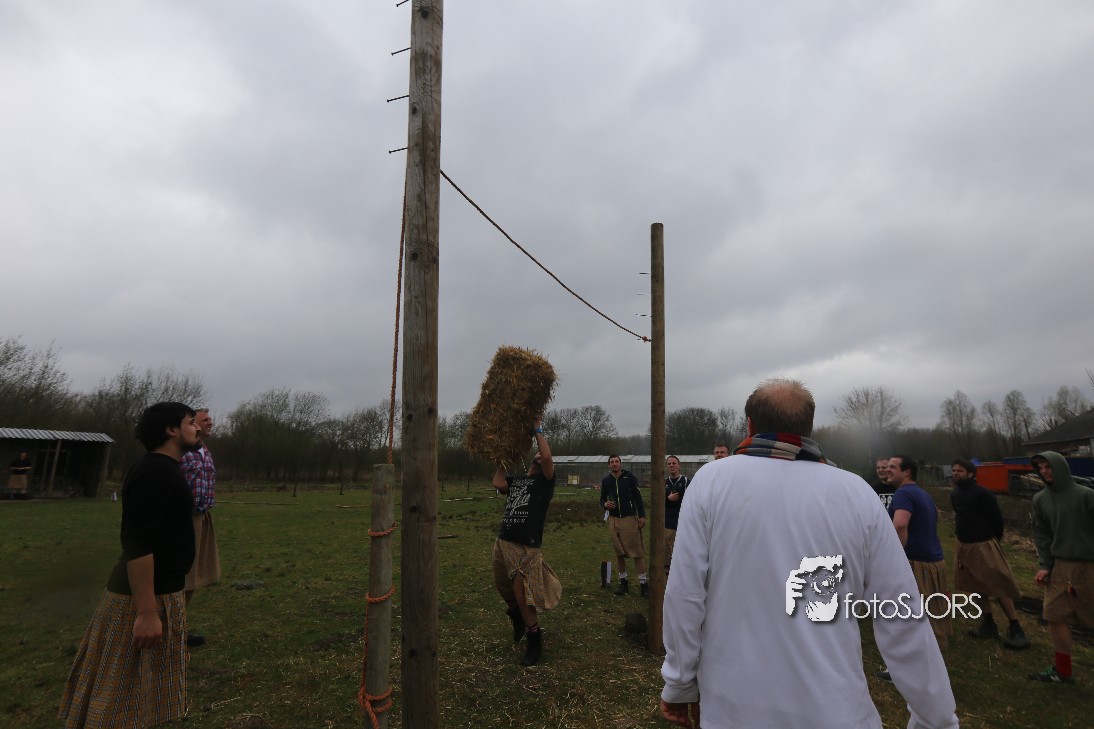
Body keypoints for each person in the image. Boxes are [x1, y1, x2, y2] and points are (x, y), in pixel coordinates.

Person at [660, 379, 957, 729]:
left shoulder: (710, 482)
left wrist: (679, 682)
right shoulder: (856, 492)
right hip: (839, 713)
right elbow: (900, 611)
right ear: (808, 429)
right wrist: (936, 717)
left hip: (734, 710)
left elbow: (684, 594)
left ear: (750, 426)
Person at [59, 402, 201, 729]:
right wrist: (147, 613)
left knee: (140, 702)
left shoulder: (165, 469)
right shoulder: (154, 473)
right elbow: (138, 545)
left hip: (160, 593)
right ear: (171, 430)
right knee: (117, 702)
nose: (197, 428)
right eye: (191, 422)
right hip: (140, 599)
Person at [491, 415, 561, 667]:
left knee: (523, 595)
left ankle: (534, 639)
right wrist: (506, 456)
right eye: (536, 457)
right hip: (503, 542)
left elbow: (548, 458)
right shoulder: (519, 480)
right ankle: (517, 617)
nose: (540, 459)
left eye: (543, 459)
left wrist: (536, 430)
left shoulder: (545, 484)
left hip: (525, 546)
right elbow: (497, 482)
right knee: (503, 587)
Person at [1027, 451, 1094, 683]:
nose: (1044, 471)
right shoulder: (1041, 499)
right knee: (1054, 614)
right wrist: (1045, 565)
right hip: (1060, 566)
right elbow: (1042, 535)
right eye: (1040, 468)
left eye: (1048, 466)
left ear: (1060, 466)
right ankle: (1063, 671)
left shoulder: (1086, 496)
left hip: (1088, 566)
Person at [949, 458, 1028, 649]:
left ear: (970, 473)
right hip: (965, 546)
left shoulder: (983, 493)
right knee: (976, 586)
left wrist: (992, 541)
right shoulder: (955, 494)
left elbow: (997, 520)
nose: (955, 473)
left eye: (960, 470)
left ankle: (1016, 628)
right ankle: (988, 624)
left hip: (984, 545)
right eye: (954, 470)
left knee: (998, 585)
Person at [886, 454, 952, 652]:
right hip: (934, 561)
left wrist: (896, 556)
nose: (888, 470)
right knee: (931, 611)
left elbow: (899, 524)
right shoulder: (923, 493)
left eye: (893, 467)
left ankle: (915, 655)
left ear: (907, 472)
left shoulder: (903, 493)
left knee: (911, 613)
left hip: (916, 563)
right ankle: (931, 651)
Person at [180, 408, 222, 648]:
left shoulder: (205, 451)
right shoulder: (181, 451)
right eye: (204, 419)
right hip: (183, 520)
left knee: (193, 578)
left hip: (202, 518)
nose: (210, 422)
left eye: (210, 419)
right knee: (180, 577)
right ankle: (168, 629)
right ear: (192, 424)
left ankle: (178, 627)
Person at [601, 454, 648, 596]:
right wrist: (605, 504)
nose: (614, 464)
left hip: (629, 519)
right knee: (619, 553)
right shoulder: (606, 480)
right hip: (614, 519)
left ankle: (644, 584)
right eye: (612, 462)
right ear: (609, 465)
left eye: (617, 461)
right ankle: (623, 583)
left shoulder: (629, 477)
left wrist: (642, 515)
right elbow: (602, 499)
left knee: (637, 552)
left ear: (620, 464)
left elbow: (638, 497)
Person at [664, 455, 689, 573]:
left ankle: (683, 572)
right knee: (667, 551)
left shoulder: (686, 482)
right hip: (668, 522)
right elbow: (657, 502)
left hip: (684, 522)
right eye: (669, 464)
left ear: (679, 466)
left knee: (682, 550)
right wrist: (668, 499)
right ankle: (668, 575)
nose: (671, 465)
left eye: (674, 463)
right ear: (666, 467)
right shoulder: (663, 483)